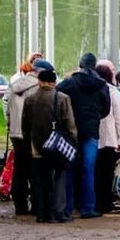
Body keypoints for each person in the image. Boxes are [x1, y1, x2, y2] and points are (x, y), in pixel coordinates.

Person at [56, 53, 111, 219]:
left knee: (69, 169)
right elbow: (106, 110)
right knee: (88, 170)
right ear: (94, 66)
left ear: (79, 65)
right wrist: (94, 118)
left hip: (70, 132)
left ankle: (68, 208)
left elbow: (57, 99)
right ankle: (88, 208)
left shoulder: (68, 83)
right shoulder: (102, 85)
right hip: (91, 132)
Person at [21, 68, 77, 223]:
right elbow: (70, 124)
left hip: (37, 146)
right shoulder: (62, 98)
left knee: (40, 179)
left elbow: (25, 125)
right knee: (59, 178)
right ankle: (57, 212)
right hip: (57, 145)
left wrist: (29, 142)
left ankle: (41, 213)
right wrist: (73, 142)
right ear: (54, 82)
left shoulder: (30, 99)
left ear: (39, 81)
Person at [4, 58, 53, 216]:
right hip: (32, 134)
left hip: (15, 134)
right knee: (35, 170)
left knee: (19, 170)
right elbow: (39, 114)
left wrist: (10, 125)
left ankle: (20, 206)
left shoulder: (14, 85)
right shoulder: (37, 89)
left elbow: (7, 108)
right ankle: (36, 206)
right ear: (40, 73)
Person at [95, 62, 120, 214]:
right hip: (109, 138)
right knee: (107, 173)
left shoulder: (90, 90)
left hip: (94, 138)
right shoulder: (112, 91)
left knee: (96, 172)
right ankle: (106, 203)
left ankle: (96, 202)